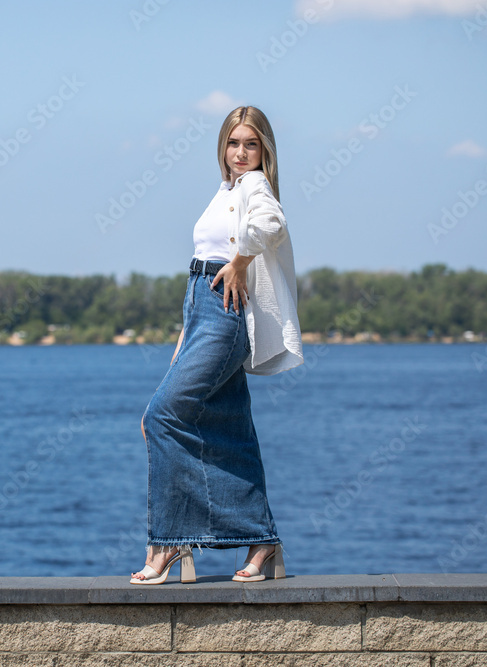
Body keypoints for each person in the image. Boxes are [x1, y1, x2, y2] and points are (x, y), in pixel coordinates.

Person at [130, 105, 304, 585]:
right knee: (229, 428)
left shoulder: (255, 186)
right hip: (201, 310)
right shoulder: (226, 189)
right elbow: (203, 262)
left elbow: (271, 225)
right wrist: (186, 331)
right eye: (233, 143)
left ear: (264, 149)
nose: (241, 152)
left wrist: (243, 262)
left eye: (251, 144)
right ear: (222, 148)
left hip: (226, 313)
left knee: (161, 417)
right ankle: (261, 541)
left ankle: (168, 540)